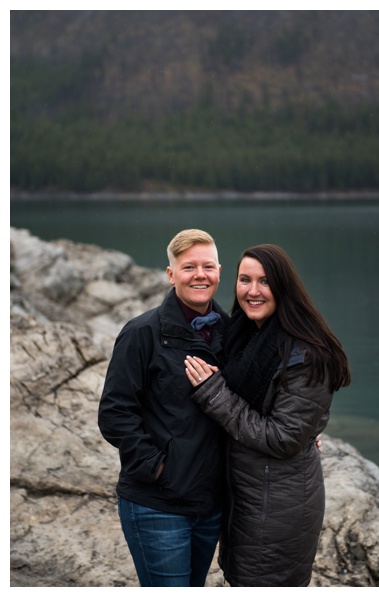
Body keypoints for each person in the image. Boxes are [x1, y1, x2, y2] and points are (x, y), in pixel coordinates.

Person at [183, 243, 351, 587]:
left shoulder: (306, 353)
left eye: (265, 281)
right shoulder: (244, 336)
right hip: (248, 498)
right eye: (245, 280)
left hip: (277, 509)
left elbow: (282, 437)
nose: (253, 291)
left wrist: (213, 392)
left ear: (284, 288)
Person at [98, 229, 228, 587]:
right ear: (171, 275)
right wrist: (157, 468)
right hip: (157, 505)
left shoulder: (231, 333)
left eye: (207, 266)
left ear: (219, 271)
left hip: (211, 505)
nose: (199, 275)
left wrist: (306, 429)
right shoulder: (143, 332)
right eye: (189, 267)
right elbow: (114, 413)